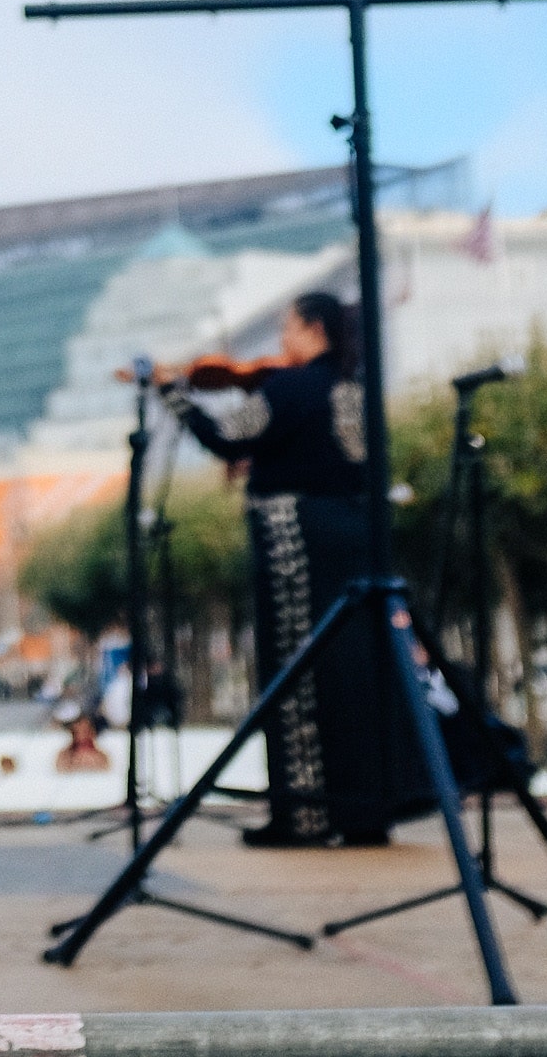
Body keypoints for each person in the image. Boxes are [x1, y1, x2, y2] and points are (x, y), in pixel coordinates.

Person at [160, 291, 423, 848]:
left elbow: (224, 438)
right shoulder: (355, 389)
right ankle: (365, 813)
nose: (281, 342)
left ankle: (303, 816)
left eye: (288, 328)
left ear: (313, 328)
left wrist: (172, 395)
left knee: (297, 666)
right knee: (357, 667)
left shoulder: (290, 387)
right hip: (356, 536)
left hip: (295, 537)